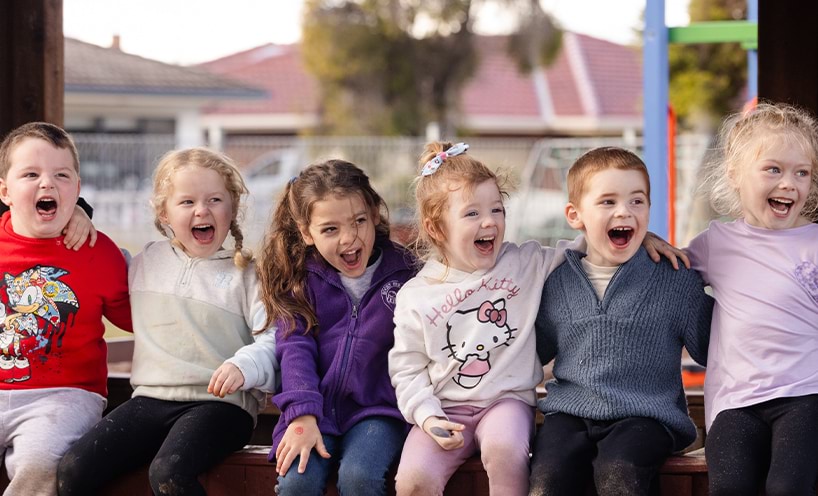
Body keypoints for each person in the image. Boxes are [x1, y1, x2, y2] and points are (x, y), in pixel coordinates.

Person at [387, 141, 686, 496]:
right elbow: (406, 369)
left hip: (505, 402)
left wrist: (642, 235)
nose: (490, 222)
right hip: (442, 409)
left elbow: (590, 241)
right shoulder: (415, 295)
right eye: (472, 214)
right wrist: (426, 415)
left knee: (506, 452)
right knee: (412, 480)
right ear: (435, 227)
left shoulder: (524, 262)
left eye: (497, 210)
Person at [56, 147, 277, 496]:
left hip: (220, 407)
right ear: (164, 212)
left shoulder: (247, 276)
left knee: (168, 472)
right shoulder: (144, 263)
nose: (202, 210)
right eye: (187, 202)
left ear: (232, 207)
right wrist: (80, 215)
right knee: (74, 470)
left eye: (215, 200)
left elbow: (273, 340)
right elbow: (88, 253)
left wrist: (244, 365)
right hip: (150, 400)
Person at [528, 146, 713, 496]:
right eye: (607, 202)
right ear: (575, 214)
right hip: (569, 415)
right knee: (547, 480)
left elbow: (711, 348)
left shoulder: (675, 279)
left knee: (619, 473)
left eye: (637, 201)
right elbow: (529, 352)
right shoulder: (556, 282)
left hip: (647, 417)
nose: (624, 211)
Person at [259, 160, 415, 496]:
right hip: (313, 408)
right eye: (330, 229)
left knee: (360, 477)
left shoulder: (407, 274)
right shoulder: (302, 280)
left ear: (375, 214)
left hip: (378, 411)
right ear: (306, 232)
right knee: (297, 481)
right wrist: (301, 414)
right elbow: (294, 347)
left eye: (359, 221)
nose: (349, 238)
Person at [687, 102, 818, 496]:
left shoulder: (813, 242)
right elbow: (665, 272)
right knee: (730, 487)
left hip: (805, 393)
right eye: (773, 169)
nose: (788, 184)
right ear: (734, 174)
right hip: (735, 400)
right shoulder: (715, 243)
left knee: (787, 488)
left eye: (802, 173)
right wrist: (650, 243)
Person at [0, 121, 132, 495]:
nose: (47, 183)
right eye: (31, 174)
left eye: (61, 175)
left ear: (77, 189)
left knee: (42, 463)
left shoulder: (96, 252)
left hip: (64, 395)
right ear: (5, 192)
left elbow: (138, 319)